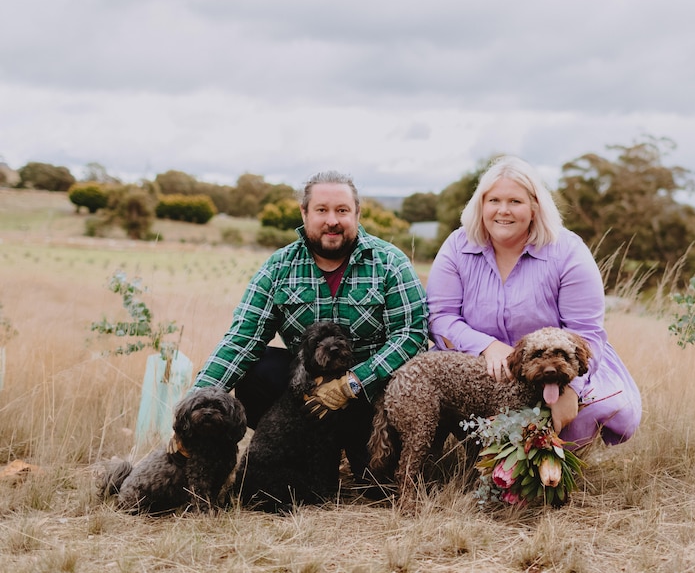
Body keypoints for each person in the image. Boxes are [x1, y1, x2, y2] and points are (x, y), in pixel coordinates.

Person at [193, 169, 428, 480]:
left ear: (357, 213)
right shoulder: (279, 267)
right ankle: (297, 452)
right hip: (307, 401)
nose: (332, 220)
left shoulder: (389, 262)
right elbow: (241, 340)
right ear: (304, 213)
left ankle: (355, 458)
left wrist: (352, 383)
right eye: (322, 210)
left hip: (371, 397)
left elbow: (412, 334)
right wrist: (193, 404)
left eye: (342, 210)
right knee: (256, 372)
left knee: (376, 484)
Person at [425, 155, 641, 449]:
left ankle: (557, 462)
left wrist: (570, 390)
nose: (503, 211)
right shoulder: (457, 246)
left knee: (608, 411)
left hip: (555, 369)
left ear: (535, 206)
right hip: (481, 368)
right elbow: (440, 318)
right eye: (494, 201)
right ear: (481, 204)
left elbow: (586, 333)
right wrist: (487, 346)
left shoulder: (568, 251)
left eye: (515, 201)